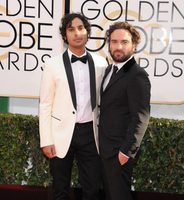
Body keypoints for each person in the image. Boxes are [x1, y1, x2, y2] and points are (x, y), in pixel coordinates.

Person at [39, 13, 107, 200]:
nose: (77, 33)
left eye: (80, 28)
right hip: (60, 133)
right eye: (71, 29)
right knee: (60, 189)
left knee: (92, 189)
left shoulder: (101, 63)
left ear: (87, 32)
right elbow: (45, 104)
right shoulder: (52, 64)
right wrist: (46, 140)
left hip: (91, 134)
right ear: (65, 35)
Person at [99, 21, 151, 200]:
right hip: (105, 149)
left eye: (124, 42)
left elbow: (141, 117)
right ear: (109, 44)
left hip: (119, 152)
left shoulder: (137, 75)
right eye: (114, 42)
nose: (118, 46)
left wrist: (126, 151)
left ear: (134, 45)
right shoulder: (109, 70)